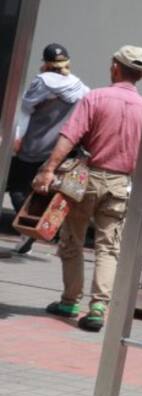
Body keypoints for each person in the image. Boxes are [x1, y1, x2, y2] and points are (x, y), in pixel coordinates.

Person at [32, 46, 142, 332]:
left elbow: (69, 136)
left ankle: (70, 301)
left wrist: (48, 169)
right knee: (108, 247)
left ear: (115, 68)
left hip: (85, 178)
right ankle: (98, 307)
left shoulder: (95, 97)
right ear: (141, 75)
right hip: (120, 183)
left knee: (72, 238)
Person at [4, 44, 89, 254]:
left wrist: (17, 137)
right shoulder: (79, 87)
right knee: (42, 190)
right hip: (59, 149)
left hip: (33, 146)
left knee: (16, 186)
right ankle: (35, 229)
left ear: (46, 63)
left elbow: (25, 110)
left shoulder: (41, 82)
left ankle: (29, 229)